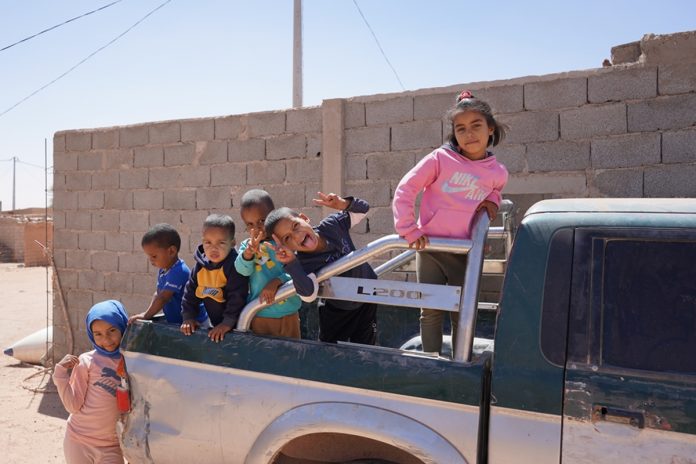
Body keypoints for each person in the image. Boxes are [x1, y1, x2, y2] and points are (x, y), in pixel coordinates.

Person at [392, 90, 509, 355]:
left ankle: (459, 363)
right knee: (430, 311)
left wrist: (492, 201)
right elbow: (406, 189)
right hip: (431, 248)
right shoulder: (440, 160)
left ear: (490, 129)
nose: (469, 134)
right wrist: (408, 229)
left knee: (462, 312)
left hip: (465, 251)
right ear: (454, 133)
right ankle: (432, 360)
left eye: (476, 126)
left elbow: (495, 190)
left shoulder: (497, 172)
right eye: (461, 128)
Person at [265, 192, 377, 345]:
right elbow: (308, 294)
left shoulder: (332, 225)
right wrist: (291, 262)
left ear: (304, 218)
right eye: (287, 238)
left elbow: (363, 209)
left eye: (296, 226)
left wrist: (343, 204)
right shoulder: (303, 263)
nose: (297, 236)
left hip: (366, 298)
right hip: (337, 310)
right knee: (330, 354)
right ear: (286, 246)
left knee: (367, 349)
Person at [53, 300, 129, 464]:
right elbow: (73, 405)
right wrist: (60, 375)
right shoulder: (87, 361)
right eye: (98, 334)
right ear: (91, 334)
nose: (106, 339)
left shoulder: (132, 361)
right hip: (78, 440)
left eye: (112, 330)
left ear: (123, 327)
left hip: (112, 446)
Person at [235, 189, 302, 338]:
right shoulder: (247, 246)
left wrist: (278, 281)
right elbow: (242, 270)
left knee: (291, 358)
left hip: (289, 313)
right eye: (250, 224)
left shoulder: (285, 241)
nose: (257, 228)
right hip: (260, 313)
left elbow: (298, 271)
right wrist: (248, 254)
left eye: (261, 221)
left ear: (273, 215)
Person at [180, 214, 249, 342]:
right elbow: (189, 294)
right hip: (217, 326)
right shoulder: (200, 267)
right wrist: (188, 317)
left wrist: (227, 323)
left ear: (232, 243)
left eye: (221, 243)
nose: (213, 248)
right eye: (208, 242)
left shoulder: (235, 266)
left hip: (240, 328)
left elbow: (237, 297)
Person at [128, 223, 209, 327]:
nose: (151, 260)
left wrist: (146, 316)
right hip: (179, 324)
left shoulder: (179, 271)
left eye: (154, 256)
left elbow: (163, 298)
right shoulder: (163, 270)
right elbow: (158, 294)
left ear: (171, 251)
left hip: (196, 324)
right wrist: (146, 313)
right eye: (149, 256)